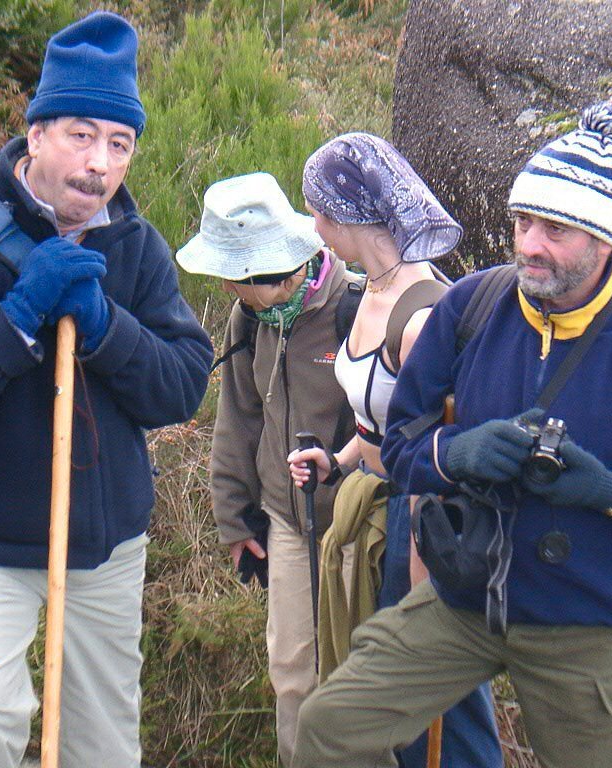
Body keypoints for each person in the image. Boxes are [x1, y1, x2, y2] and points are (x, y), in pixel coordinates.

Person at [291, 104, 612, 768]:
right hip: (465, 601)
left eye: (556, 230)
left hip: (589, 623)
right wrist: (457, 454)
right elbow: (403, 447)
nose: (530, 244)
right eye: (523, 222)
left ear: (604, 240)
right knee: (329, 728)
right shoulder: (472, 307)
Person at [0, 12, 213, 768]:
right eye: (80, 134)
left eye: (119, 143)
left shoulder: (136, 247)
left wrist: (103, 326)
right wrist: (20, 313)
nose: (98, 163)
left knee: (104, 750)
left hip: (104, 547)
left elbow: (181, 388)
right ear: (36, 135)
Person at [289, 132, 503, 768]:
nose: (314, 227)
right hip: (379, 510)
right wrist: (338, 462)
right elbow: (381, 424)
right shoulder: (366, 295)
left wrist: (425, 564)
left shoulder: (424, 319)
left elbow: (443, 448)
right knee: (395, 707)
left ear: (349, 215)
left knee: (440, 709)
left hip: (421, 520)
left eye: (319, 211)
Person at [175, 171, 362, 766]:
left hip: (359, 526)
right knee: (292, 670)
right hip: (285, 520)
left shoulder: (357, 308)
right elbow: (239, 418)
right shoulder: (249, 317)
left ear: (269, 272)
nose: (224, 284)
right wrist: (235, 519)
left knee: (355, 674)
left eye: (230, 273)